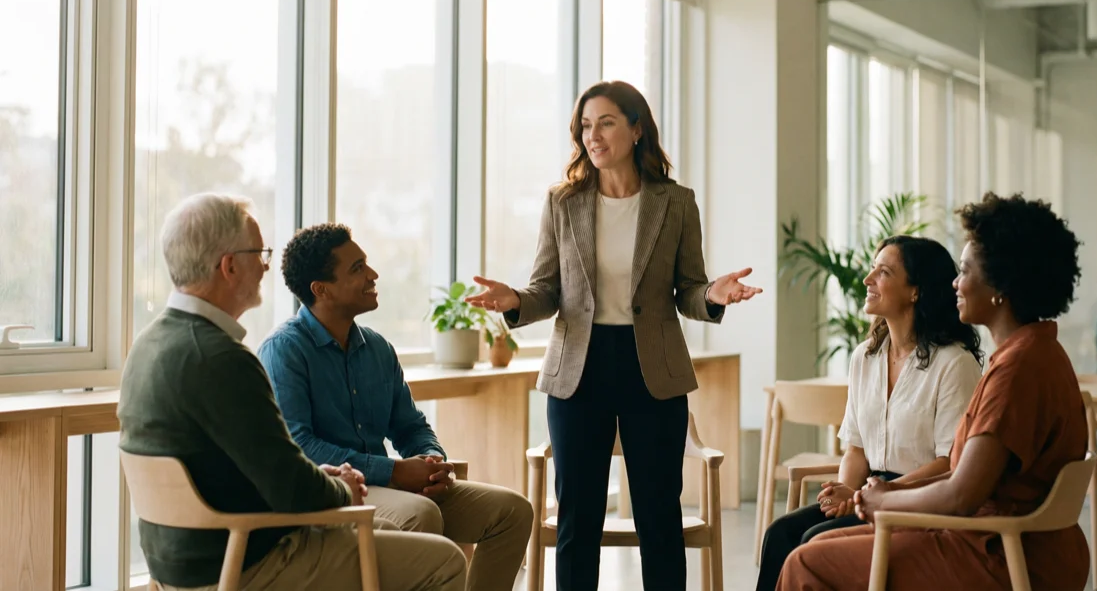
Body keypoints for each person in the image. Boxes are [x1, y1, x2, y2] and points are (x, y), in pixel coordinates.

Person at [463, 80, 762, 591]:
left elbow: (687, 290)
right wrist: (515, 301)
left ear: (636, 127)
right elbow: (546, 289)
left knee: (658, 516)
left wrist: (714, 294)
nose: (593, 135)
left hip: (654, 369)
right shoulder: (564, 203)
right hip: (580, 368)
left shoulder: (675, 202)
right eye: (585, 125)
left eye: (605, 122)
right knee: (579, 518)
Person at [118, 193, 466, 591]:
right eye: (259, 253)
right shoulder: (223, 358)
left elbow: (256, 468)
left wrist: (322, 477)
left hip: (181, 564)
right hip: (245, 559)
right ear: (230, 266)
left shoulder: (151, 344)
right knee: (445, 562)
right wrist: (341, 487)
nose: (266, 266)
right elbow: (292, 490)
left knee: (392, 527)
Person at [778, 192, 1089, 591]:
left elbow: (961, 493)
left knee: (808, 562)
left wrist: (884, 500)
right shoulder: (1035, 352)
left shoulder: (1017, 370)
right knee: (814, 543)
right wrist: (880, 492)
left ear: (1000, 284)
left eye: (965, 271)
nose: (955, 284)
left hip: (998, 554)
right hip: (1003, 540)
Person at [258, 223, 534, 591]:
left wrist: (431, 459)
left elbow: (410, 427)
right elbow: (299, 446)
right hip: (332, 494)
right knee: (420, 514)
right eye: (357, 268)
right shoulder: (284, 351)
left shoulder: (377, 348)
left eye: (367, 264)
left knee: (513, 512)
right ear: (320, 289)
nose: (373, 275)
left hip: (389, 487)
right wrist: (394, 472)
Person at [756, 235, 983, 591]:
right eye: (873, 269)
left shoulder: (954, 363)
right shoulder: (865, 357)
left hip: (919, 499)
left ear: (915, 292)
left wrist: (877, 493)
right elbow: (856, 450)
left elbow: (949, 463)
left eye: (884, 272)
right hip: (870, 492)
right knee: (779, 534)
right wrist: (848, 489)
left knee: (812, 540)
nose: (868, 279)